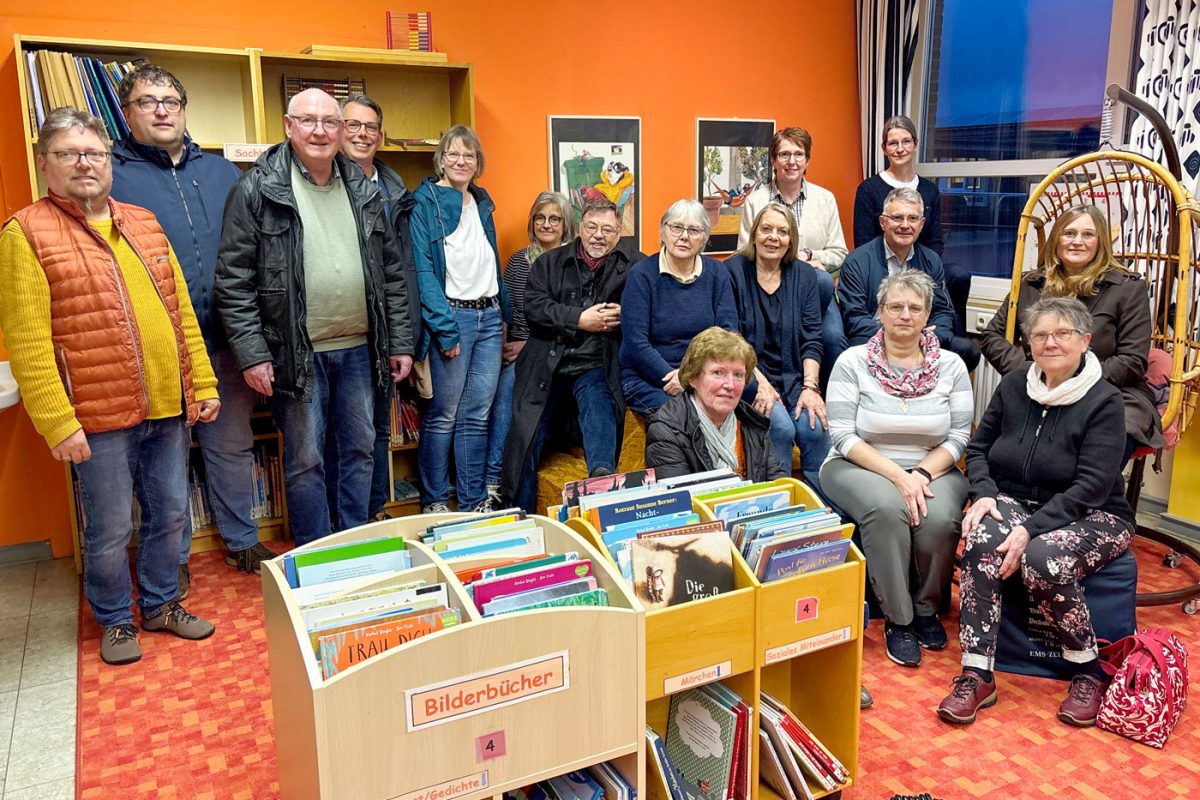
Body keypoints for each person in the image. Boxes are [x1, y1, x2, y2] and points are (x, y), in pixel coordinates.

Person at [0, 108, 217, 665]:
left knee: (172, 513)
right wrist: (57, 422)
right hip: (96, 415)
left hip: (167, 405)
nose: (84, 164)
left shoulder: (143, 221)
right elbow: (27, 342)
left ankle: (163, 604)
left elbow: (181, 313)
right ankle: (116, 619)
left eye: (93, 153)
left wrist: (204, 382)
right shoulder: (26, 232)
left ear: (109, 161)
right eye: (68, 154)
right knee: (111, 525)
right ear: (45, 163)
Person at [215, 88, 415, 545]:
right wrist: (251, 354)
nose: (320, 131)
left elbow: (391, 273)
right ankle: (317, 552)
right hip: (295, 353)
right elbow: (233, 279)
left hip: (362, 350)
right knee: (305, 459)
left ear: (342, 130)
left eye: (330, 122)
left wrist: (399, 341)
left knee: (361, 451)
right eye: (308, 121)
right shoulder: (255, 189)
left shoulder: (366, 190)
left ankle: (356, 543)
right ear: (288, 126)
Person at [109, 64, 270, 595]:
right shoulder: (113, 176)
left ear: (183, 110)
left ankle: (241, 538)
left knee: (231, 445)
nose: (160, 110)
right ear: (127, 113)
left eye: (170, 101)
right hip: (158, 346)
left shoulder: (225, 172)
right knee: (165, 459)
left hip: (225, 337)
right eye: (146, 101)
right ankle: (171, 558)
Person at [938, 296, 1137, 728]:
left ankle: (1088, 671)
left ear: (1085, 340)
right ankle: (977, 673)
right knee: (981, 540)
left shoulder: (1105, 400)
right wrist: (986, 493)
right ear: (1029, 342)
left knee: (1043, 558)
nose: (1050, 342)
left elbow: (1092, 486)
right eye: (1041, 334)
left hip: (1095, 512)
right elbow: (978, 448)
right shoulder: (1013, 385)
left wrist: (1029, 530)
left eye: (1062, 334)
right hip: (1014, 499)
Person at [820, 270, 972, 668]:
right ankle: (899, 619)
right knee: (888, 510)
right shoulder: (852, 362)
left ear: (927, 317)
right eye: (896, 306)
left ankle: (926, 609)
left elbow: (958, 437)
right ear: (880, 312)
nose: (905, 315)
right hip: (858, 465)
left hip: (934, 469)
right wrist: (897, 476)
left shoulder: (952, 367)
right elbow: (841, 435)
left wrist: (919, 475)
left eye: (915, 308)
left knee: (939, 518)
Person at [979, 204, 1164, 459]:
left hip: (1109, 390)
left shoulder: (1128, 289)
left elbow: (1132, 360)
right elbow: (992, 337)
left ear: (1100, 242)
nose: (1077, 241)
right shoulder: (1030, 284)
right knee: (999, 448)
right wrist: (1035, 373)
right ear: (1057, 239)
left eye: (1088, 234)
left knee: (1097, 453)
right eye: (1069, 233)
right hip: (1037, 387)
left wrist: (1074, 381)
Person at [503, 198, 640, 512]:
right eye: (592, 226)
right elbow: (534, 309)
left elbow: (651, 309)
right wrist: (580, 319)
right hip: (547, 366)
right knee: (527, 434)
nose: (598, 235)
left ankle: (602, 492)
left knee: (600, 409)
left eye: (607, 229)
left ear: (619, 233)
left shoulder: (635, 265)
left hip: (595, 363)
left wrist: (626, 312)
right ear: (580, 227)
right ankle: (519, 513)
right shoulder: (549, 263)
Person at [410, 125, 510, 514]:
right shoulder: (425, 202)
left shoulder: (482, 203)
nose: (461, 161)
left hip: (489, 317)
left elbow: (491, 263)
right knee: (443, 416)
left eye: (469, 155)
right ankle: (435, 501)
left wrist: (504, 317)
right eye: (453, 153)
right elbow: (423, 273)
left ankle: (472, 503)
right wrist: (444, 327)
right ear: (441, 158)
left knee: (477, 416)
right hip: (454, 319)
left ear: (478, 162)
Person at [336, 93, 423, 522]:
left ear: (381, 135)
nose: (361, 134)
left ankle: (371, 511)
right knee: (343, 436)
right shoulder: (326, 184)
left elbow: (403, 269)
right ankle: (343, 522)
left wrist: (404, 336)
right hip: (343, 330)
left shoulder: (394, 190)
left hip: (388, 330)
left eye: (369, 127)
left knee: (377, 431)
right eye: (352, 125)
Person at [726, 202, 832, 496]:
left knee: (816, 429)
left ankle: (822, 515)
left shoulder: (804, 276)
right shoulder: (733, 271)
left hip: (794, 376)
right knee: (781, 429)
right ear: (755, 233)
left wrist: (811, 387)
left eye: (783, 232)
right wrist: (759, 382)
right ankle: (778, 514)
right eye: (767, 229)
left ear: (791, 239)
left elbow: (812, 337)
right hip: (748, 374)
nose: (774, 237)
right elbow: (731, 338)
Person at [738, 127, 849, 385]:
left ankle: (829, 403)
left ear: (807, 160)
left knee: (833, 340)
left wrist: (806, 256)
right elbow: (744, 252)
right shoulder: (756, 201)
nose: (792, 161)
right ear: (774, 160)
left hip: (816, 293)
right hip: (769, 290)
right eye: (785, 154)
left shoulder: (825, 199)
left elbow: (839, 252)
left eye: (799, 154)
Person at [486, 191, 576, 508]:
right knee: (502, 391)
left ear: (566, 225)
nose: (546, 224)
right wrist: (500, 351)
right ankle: (493, 484)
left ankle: (499, 483)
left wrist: (529, 345)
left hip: (557, 351)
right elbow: (508, 313)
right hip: (520, 354)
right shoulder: (519, 262)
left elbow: (570, 318)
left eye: (554, 218)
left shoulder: (575, 264)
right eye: (540, 218)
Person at [838, 187, 980, 370]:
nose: (905, 225)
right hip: (875, 338)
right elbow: (854, 318)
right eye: (897, 218)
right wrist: (897, 337)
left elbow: (943, 312)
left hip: (921, 339)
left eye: (912, 218)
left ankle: (932, 396)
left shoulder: (931, 260)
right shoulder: (856, 261)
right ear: (883, 222)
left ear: (921, 224)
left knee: (967, 350)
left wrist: (927, 338)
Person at [852, 115, 971, 332]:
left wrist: (919, 273)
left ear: (915, 144)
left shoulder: (929, 190)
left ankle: (949, 339)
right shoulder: (868, 189)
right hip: (882, 265)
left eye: (906, 141)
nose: (900, 149)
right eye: (893, 143)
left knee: (958, 277)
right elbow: (863, 242)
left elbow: (935, 241)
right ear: (884, 148)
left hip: (921, 264)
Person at [620, 199, 738, 415]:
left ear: (704, 238)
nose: (684, 236)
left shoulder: (717, 273)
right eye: (676, 228)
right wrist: (678, 378)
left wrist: (695, 377)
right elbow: (636, 344)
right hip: (650, 378)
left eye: (694, 230)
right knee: (685, 417)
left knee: (754, 402)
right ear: (662, 232)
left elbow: (728, 334)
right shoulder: (641, 276)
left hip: (704, 375)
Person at [645, 327, 788, 481]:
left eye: (738, 375)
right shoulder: (666, 430)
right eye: (718, 373)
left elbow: (778, 487)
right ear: (693, 378)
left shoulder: (752, 423)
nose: (730, 385)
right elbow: (679, 501)